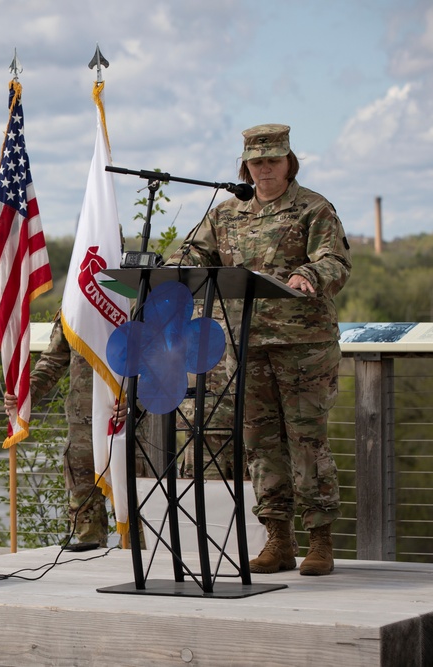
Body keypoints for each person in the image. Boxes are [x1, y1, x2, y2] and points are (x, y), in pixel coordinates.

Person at [170, 124, 351, 576]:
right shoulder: (227, 213)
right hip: (246, 345)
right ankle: (278, 540)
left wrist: (310, 274)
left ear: (289, 162)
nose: (265, 168)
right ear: (245, 166)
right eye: (257, 161)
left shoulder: (314, 208)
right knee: (260, 444)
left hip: (303, 347)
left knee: (307, 443)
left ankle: (321, 542)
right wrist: (171, 267)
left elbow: (335, 260)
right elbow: (193, 255)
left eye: (274, 160)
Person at [3, 312, 126, 550]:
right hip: (83, 424)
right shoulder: (76, 300)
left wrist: (136, 403)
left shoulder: (137, 294)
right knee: (85, 524)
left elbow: (157, 358)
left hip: (127, 423)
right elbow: (52, 361)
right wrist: (25, 395)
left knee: (136, 514)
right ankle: (88, 580)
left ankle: (141, 578)